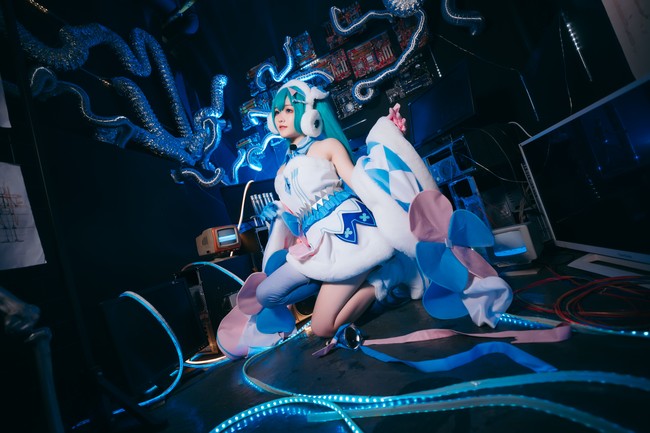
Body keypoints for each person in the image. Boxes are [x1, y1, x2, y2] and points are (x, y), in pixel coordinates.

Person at [255, 79, 398, 338]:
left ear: (307, 114)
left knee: (322, 328)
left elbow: (360, 182)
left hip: (348, 239)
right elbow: (294, 219)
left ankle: (383, 281)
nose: (280, 118)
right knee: (265, 294)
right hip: (314, 246)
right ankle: (331, 283)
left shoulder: (327, 147)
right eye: (276, 112)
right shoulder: (281, 171)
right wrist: (276, 214)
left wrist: (391, 143)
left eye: (288, 110)